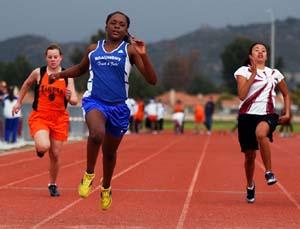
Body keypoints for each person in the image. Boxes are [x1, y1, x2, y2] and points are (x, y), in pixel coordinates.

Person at [48, 11, 157, 210]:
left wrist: (143, 54)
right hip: (94, 101)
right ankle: (89, 173)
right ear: (106, 26)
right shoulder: (93, 49)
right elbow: (80, 70)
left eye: (121, 24)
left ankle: (106, 186)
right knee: (97, 134)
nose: (117, 26)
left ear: (126, 30)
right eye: (113, 23)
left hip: (119, 108)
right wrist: (59, 75)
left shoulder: (130, 50)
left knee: (109, 152)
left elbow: (152, 80)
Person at [12, 44, 78, 197]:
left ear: (61, 58)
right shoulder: (39, 72)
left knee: (55, 154)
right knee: (44, 146)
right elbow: (26, 85)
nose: (53, 60)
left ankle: (53, 184)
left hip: (60, 119)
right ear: (46, 58)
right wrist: (18, 102)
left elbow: (74, 100)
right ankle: (40, 148)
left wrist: (70, 97)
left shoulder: (68, 76)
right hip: (40, 116)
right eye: (50, 57)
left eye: (56, 57)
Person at [234, 42, 291, 204]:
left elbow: (286, 94)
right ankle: (250, 185)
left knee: (261, 133)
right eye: (256, 50)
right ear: (251, 55)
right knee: (250, 157)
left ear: (266, 55)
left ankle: (269, 172)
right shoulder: (243, 71)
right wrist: (252, 75)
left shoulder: (274, 73)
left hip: (267, 114)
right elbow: (242, 95)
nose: (260, 52)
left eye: (264, 51)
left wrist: (287, 112)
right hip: (246, 117)